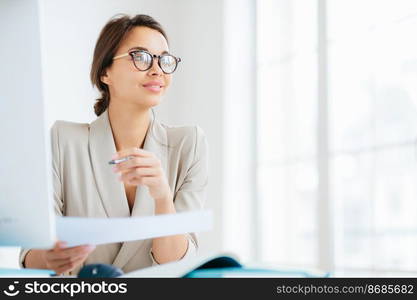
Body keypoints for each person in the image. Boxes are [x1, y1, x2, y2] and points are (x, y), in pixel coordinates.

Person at [20, 14, 208, 276]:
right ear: (105, 71)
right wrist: (53, 258)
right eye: (140, 56)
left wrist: (163, 196)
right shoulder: (63, 139)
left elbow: (176, 262)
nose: (157, 70)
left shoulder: (189, 143)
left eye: (165, 60)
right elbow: (30, 254)